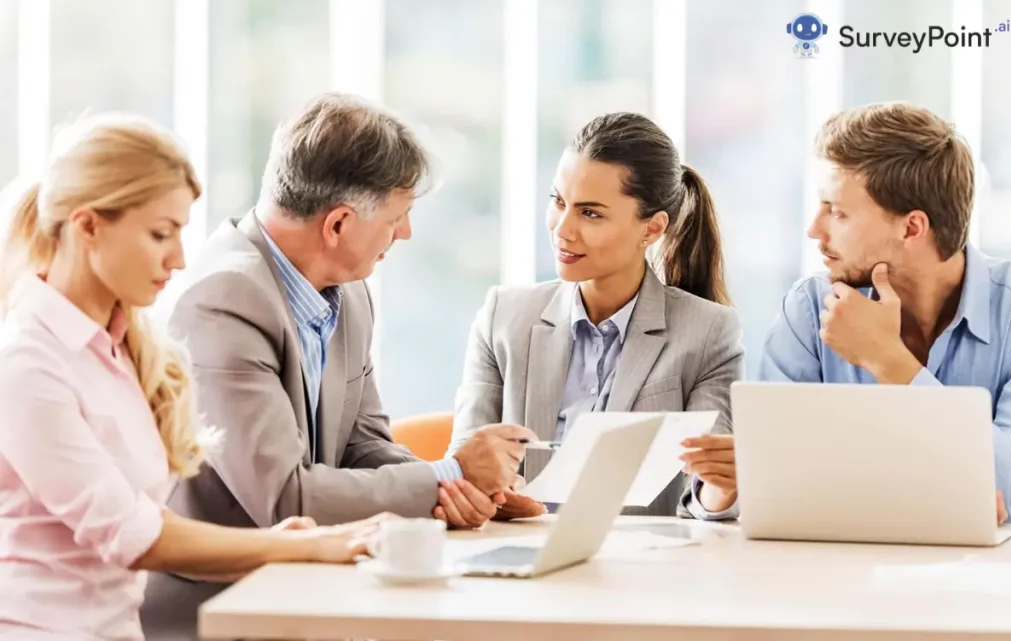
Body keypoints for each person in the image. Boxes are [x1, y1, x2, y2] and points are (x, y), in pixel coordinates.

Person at [141, 93, 534, 640]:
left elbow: (364, 443)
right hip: (219, 607)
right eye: (398, 218)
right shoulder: (223, 300)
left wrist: (457, 492)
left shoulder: (347, 294)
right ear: (339, 225)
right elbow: (284, 498)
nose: (405, 234)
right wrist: (448, 474)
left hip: (315, 587)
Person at [0, 114, 392, 641]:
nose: (180, 259)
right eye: (161, 233)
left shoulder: (120, 349)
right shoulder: (28, 364)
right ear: (88, 226)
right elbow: (134, 536)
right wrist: (298, 544)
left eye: (182, 231)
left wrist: (291, 544)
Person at [446, 112, 744, 519]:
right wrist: (485, 495)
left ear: (653, 229)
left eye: (590, 213)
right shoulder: (503, 319)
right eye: (558, 202)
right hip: (520, 558)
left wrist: (723, 487)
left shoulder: (708, 332)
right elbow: (463, 468)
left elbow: (704, 494)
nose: (562, 230)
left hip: (643, 569)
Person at [759, 101, 1011, 525]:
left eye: (837, 212)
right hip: (835, 578)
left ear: (912, 228)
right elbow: (773, 478)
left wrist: (890, 363)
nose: (814, 229)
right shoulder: (810, 309)